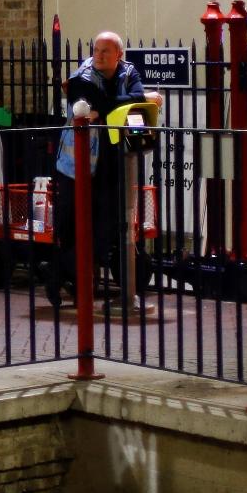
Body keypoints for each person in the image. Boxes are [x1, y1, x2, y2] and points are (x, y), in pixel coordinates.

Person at [48, 31, 148, 310]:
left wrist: (111, 107)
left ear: (120, 54)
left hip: (112, 163)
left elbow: (135, 99)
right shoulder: (82, 77)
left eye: (106, 51)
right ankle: (65, 276)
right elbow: (99, 104)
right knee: (71, 225)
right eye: (96, 50)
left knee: (107, 227)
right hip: (76, 166)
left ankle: (63, 272)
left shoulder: (129, 72)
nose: (99, 55)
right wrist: (119, 104)